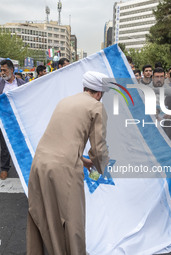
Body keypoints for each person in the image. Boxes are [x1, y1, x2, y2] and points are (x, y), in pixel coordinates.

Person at [26, 71, 110, 255]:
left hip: (40, 163)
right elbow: (99, 148)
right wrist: (101, 168)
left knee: (42, 212)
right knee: (72, 222)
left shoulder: (65, 101)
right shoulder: (96, 107)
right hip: (64, 169)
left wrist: (85, 162)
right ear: (99, 93)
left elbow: (63, 140)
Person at [0, 59, 26, 180]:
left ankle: (23, 166)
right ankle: (4, 168)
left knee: (20, 143)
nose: (2, 73)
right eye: (1, 70)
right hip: (4, 120)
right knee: (4, 145)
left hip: (18, 120)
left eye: (4, 70)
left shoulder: (21, 83)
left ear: (12, 70)